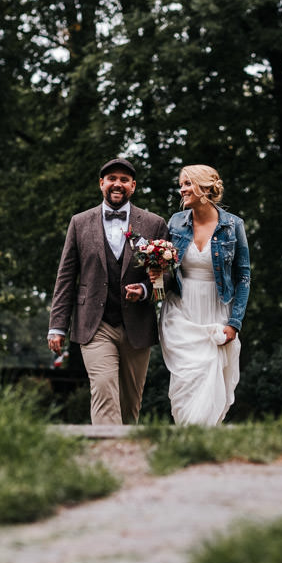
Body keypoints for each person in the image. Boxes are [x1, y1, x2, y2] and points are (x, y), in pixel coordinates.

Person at [47, 158, 169, 424]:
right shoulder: (79, 223)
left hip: (137, 323)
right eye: (111, 178)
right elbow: (66, 276)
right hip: (94, 324)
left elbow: (166, 277)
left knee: (129, 404)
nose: (117, 184)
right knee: (103, 389)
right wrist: (57, 326)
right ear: (101, 184)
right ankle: (106, 456)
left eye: (124, 180)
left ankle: (127, 459)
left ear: (133, 186)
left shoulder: (154, 223)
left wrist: (146, 291)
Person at [153, 164, 250, 425]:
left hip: (217, 311)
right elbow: (166, 273)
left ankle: (201, 439)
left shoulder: (233, 226)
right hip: (181, 310)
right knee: (185, 380)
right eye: (181, 183)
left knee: (211, 378)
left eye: (187, 184)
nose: (181, 189)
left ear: (205, 187)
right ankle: (187, 435)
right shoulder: (175, 222)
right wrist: (156, 277)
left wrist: (234, 323)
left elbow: (243, 277)